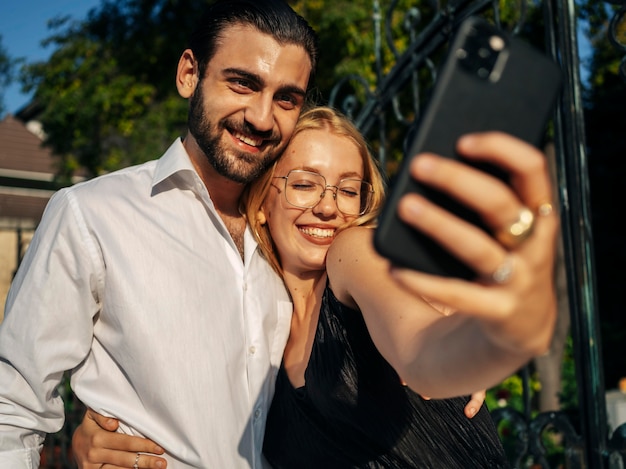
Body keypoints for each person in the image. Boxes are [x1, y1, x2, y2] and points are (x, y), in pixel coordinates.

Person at [72, 106, 559, 468]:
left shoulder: (354, 254)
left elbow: (421, 349)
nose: (329, 207)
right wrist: (93, 437)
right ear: (262, 201)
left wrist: (492, 337)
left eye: (348, 190)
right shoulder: (257, 325)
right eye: (305, 183)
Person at [0, 1, 319, 468]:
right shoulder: (91, 215)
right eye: (243, 83)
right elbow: (13, 410)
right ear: (189, 74)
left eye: (286, 98)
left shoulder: (298, 234)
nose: (262, 117)